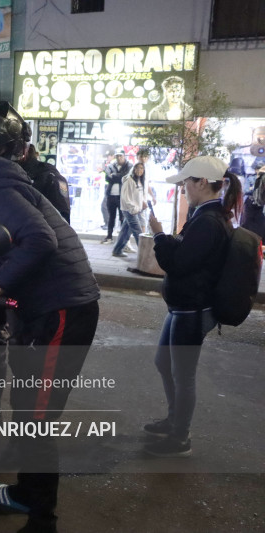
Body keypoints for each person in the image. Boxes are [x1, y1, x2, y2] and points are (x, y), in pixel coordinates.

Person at [0, 141, 100, 533]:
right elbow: (17, 240)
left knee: (37, 418)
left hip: (62, 310)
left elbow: (40, 240)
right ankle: (26, 492)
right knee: (26, 404)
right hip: (51, 309)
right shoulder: (4, 186)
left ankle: (41, 520)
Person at [0, 102, 72, 425]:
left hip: (28, 283)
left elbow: (56, 232)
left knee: (26, 358)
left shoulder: (45, 178)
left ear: (16, 148)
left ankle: (26, 426)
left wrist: (11, 230)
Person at [145, 156, 242, 457]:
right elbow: (188, 256)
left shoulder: (209, 221)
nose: (184, 188)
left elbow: (178, 264)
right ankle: (174, 420)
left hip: (192, 310)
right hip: (184, 307)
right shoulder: (206, 216)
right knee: (165, 363)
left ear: (201, 182)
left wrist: (159, 235)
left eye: (187, 182)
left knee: (183, 374)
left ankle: (180, 436)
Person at [112, 162, 147, 258]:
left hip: (135, 210)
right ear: (133, 169)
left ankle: (117, 250)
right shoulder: (129, 180)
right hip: (129, 210)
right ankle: (144, 255)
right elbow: (125, 198)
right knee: (138, 232)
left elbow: (138, 195)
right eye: (137, 168)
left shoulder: (139, 180)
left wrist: (143, 203)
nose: (140, 170)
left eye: (142, 168)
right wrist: (134, 208)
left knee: (125, 232)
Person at [102, 148, 131, 244]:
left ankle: (122, 239)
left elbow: (125, 177)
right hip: (111, 195)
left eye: (121, 156)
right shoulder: (111, 165)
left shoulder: (129, 165)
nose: (119, 158)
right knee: (111, 217)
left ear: (124, 156)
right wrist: (118, 176)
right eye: (117, 156)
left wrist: (114, 176)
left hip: (122, 196)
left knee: (122, 218)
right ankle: (109, 236)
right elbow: (107, 177)